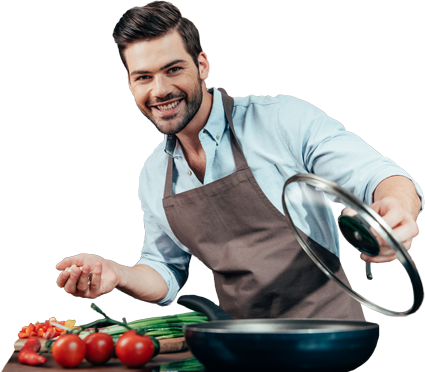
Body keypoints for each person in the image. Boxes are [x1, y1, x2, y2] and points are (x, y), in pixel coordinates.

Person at [57, 1, 423, 320]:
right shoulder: (154, 175)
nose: (160, 90)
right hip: (247, 341)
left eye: (173, 69)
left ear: (201, 65)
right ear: (131, 84)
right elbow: (163, 271)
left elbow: (379, 176)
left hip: (327, 332)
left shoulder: (281, 120)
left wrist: (397, 206)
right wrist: (118, 274)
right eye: (143, 77)